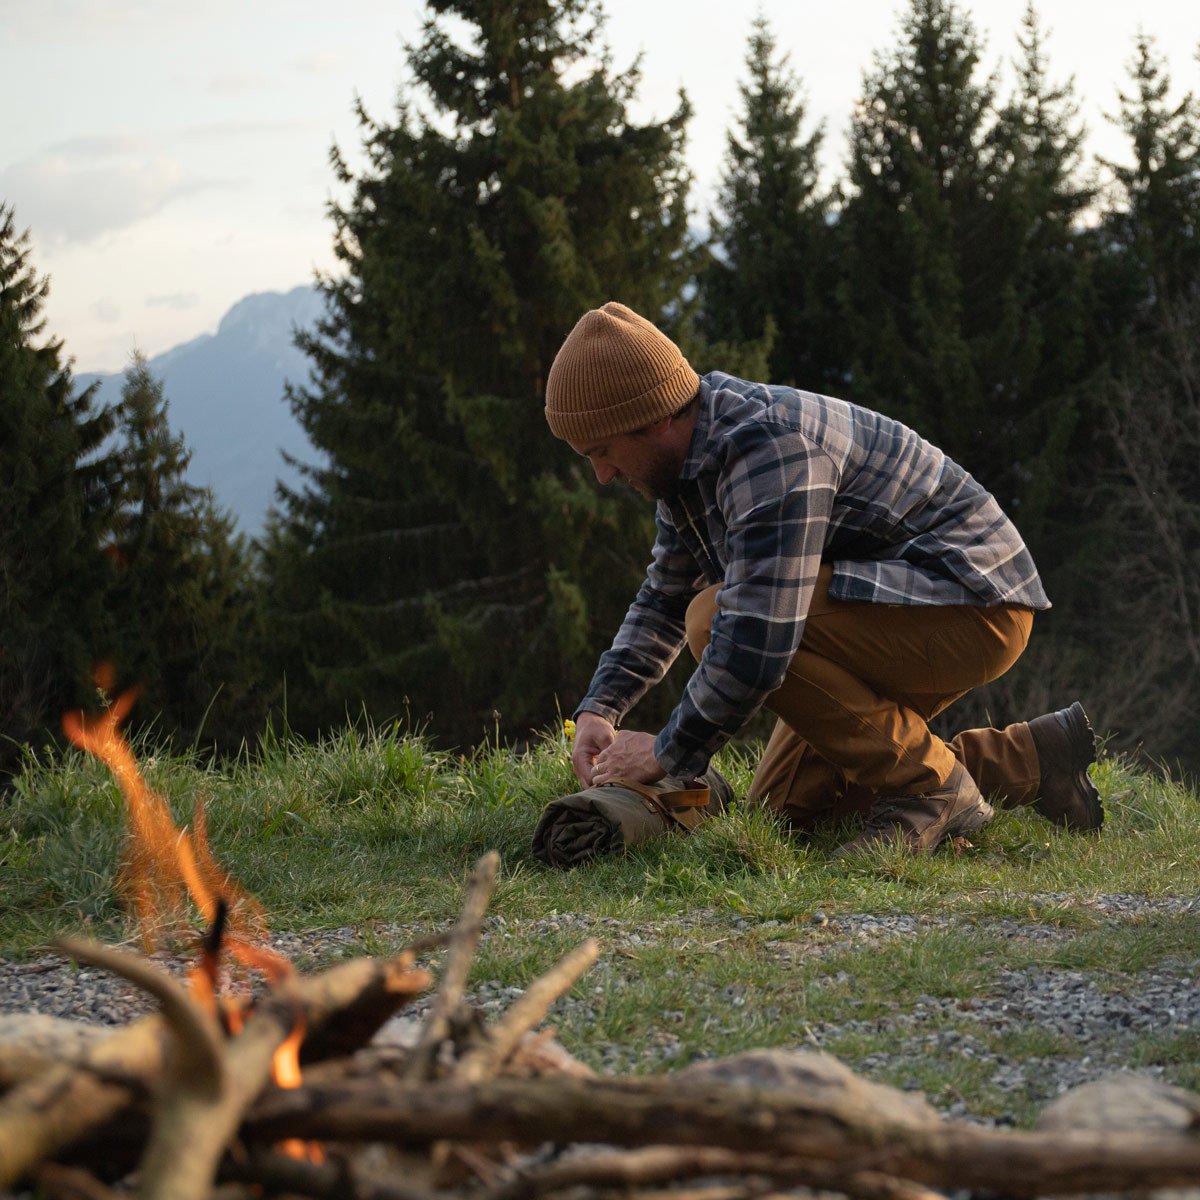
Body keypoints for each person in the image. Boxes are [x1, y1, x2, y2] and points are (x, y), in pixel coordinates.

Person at [544, 300, 1102, 857]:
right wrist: (601, 707)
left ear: (658, 417)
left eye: (603, 450)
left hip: (974, 604)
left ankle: (931, 788)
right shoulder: (685, 469)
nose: (601, 475)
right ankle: (1033, 758)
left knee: (713, 618)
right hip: (892, 609)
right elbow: (662, 597)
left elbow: (756, 641)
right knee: (788, 815)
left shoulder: (768, 449)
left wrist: (668, 752)